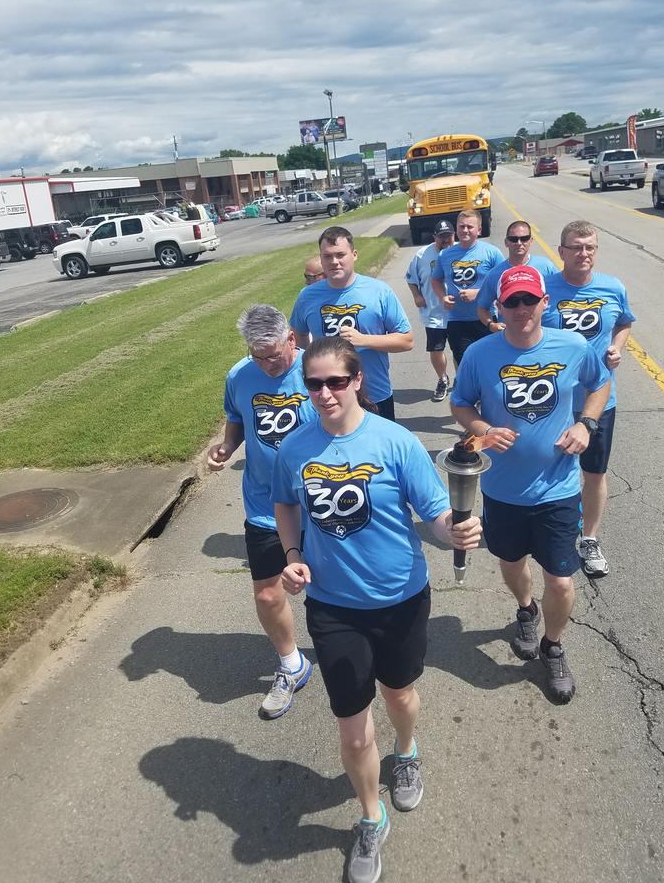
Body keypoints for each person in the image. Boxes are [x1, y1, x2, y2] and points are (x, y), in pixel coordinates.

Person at [273, 336, 482, 883]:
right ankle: (371, 816)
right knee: (354, 731)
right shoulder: (294, 449)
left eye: (335, 382)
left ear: (357, 380)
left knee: (400, 696)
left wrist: (454, 532)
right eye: (313, 384)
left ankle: (408, 751)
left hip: (401, 599)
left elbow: (435, 514)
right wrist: (292, 555)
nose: (323, 394)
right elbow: (285, 504)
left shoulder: (396, 442)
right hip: (333, 607)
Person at [450, 266, 610, 703]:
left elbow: (600, 383)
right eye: (512, 301)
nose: (521, 309)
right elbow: (460, 403)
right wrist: (482, 428)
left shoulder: (573, 345)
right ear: (499, 307)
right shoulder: (482, 353)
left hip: (558, 488)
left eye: (528, 300)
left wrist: (586, 424)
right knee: (512, 563)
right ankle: (525, 610)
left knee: (560, 579)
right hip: (502, 491)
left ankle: (552, 646)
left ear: (545, 303)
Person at [206, 304, 315, 720]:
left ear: (292, 339)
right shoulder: (239, 375)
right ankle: (292, 664)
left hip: (322, 500)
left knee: (334, 590)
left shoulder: (317, 368)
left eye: (276, 354)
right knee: (268, 593)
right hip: (265, 504)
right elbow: (237, 419)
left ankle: (356, 651)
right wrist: (227, 447)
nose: (268, 364)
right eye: (259, 356)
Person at [542, 220, 636, 578]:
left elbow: (625, 322)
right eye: (577, 247)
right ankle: (553, 528)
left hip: (599, 401)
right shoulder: (546, 289)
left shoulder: (613, 287)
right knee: (551, 470)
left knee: (594, 474)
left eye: (591, 247)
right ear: (562, 250)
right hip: (555, 403)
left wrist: (616, 346)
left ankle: (590, 539)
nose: (584, 253)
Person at [291, 226, 413, 421]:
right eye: (327, 256)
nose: (334, 262)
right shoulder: (307, 296)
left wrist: (363, 340)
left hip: (375, 395)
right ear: (321, 259)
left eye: (340, 255)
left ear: (354, 255)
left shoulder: (379, 292)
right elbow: (299, 334)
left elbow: (406, 340)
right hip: (328, 398)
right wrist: (310, 363)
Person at [430, 209, 503, 366]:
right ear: (456, 229)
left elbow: (504, 282)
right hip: (457, 320)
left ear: (479, 230)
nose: (465, 230)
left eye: (470, 227)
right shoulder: (445, 255)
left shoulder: (491, 253)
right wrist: (443, 297)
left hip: (485, 318)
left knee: (489, 362)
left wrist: (478, 293)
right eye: (461, 226)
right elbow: (435, 279)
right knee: (465, 363)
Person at [405, 219, 455, 401]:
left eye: (448, 236)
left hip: (458, 314)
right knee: (436, 350)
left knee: (460, 351)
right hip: (434, 313)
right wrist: (417, 296)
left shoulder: (460, 252)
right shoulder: (422, 255)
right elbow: (410, 279)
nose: (445, 240)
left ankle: (462, 382)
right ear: (434, 237)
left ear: (453, 235)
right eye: (441, 237)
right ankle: (442, 379)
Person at [476, 220, 557, 333]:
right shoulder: (495, 274)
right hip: (511, 336)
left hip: (543, 334)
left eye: (524, 238)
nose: (519, 243)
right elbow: (482, 307)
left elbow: (560, 295)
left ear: (531, 241)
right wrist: (491, 325)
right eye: (514, 239)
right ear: (506, 242)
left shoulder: (546, 266)